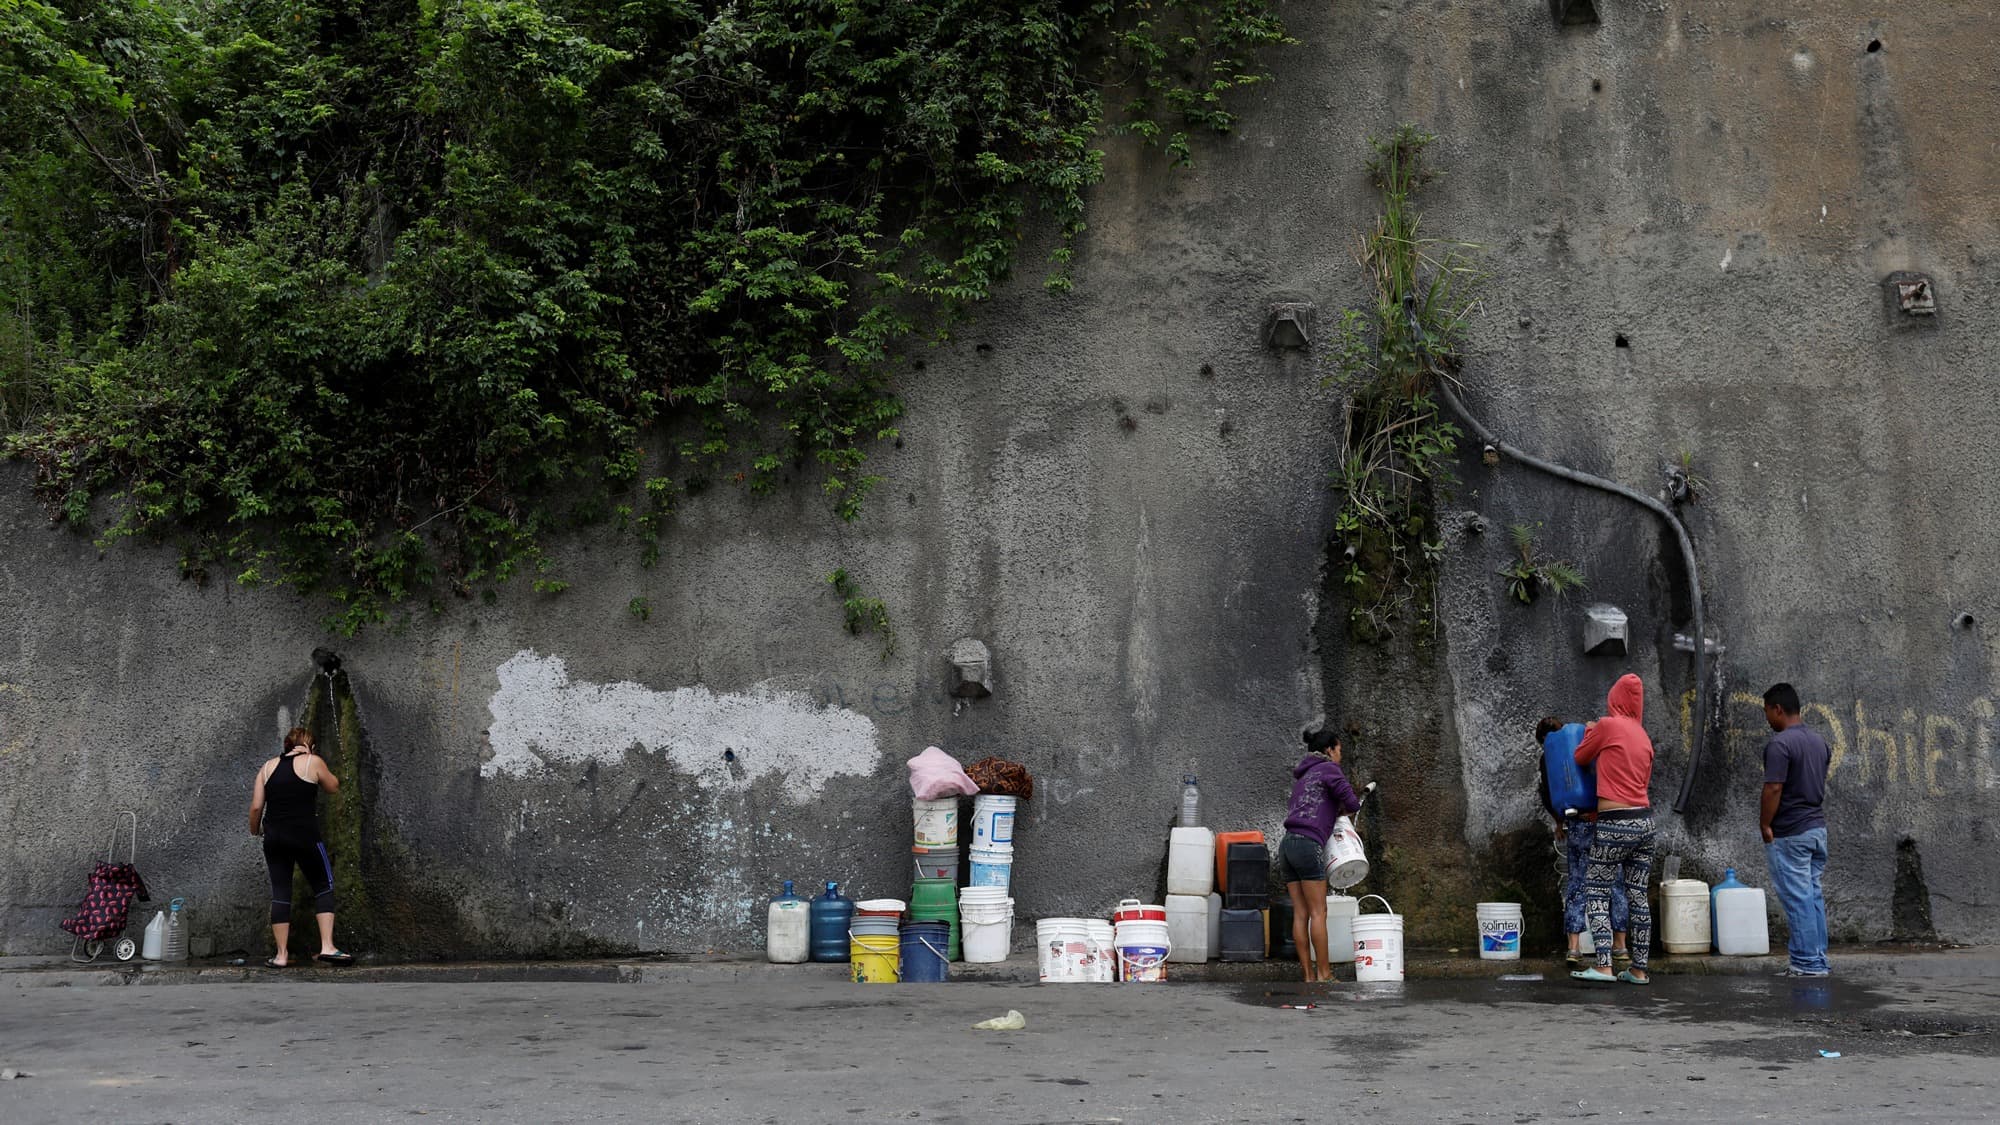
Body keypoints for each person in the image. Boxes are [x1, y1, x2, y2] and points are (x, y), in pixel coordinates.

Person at [1570, 674, 1655, 985]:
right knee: (1638, 896)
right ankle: (1639, 969)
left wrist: (1591, 732)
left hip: (1615, 823)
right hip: (1645, 822)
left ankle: (1604, 965)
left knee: (1596, 890)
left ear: (1615, 698)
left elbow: (1580, 757)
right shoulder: (1644, 737)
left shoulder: (1607, 725)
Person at [248, 727, 354, 967]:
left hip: (274, 838)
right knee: (323, 885)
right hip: (305, 836)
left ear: (287, 746)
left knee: (281, 892)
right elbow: (333, 786)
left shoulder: (267, 767)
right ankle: (327, 946)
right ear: (309, 746)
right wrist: (318, 763)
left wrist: (256, 831)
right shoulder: (312, 761)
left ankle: (281, 955)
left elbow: (256, 807)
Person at [1535, 717, 1628, 971]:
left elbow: (1546, 794)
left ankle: (1573, 949)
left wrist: (1557, 820)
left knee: (1577, 883)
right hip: (1604, 820)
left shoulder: (1548, 757)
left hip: (1577, 824)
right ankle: (1620, 946)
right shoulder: (1584, 739)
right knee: (1615, 881)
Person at [1279, 727, 1363, 983]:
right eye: (1339, 751)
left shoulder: (1304, 777)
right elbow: (1352, 803)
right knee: (1318, 912)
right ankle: (1324, 974)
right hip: (1307, 845)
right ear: (1329, 750)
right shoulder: (1329, 770)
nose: (1340, 756)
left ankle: (1308, 976)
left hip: (1287, 845)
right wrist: (1343, 810)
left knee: (1300, 914)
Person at [1761, 682, 1832, 978]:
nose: (1767, 719)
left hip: (1790, 832)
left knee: (1798, 898)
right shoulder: (1820, 742)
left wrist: (1765, 823)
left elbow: (1774, 787)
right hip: (1816, 830)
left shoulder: (1780, 745)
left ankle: (1806, 964)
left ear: (1778, 709)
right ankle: (1817, 959)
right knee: (1812, 896)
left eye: (1767, 712)